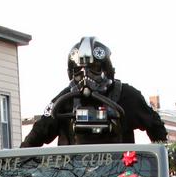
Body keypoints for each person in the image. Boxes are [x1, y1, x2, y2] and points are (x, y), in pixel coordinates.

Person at [21, 36, 167, 147]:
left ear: (107, 69)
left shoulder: (128, 96)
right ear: (71, 72)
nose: (86, 76)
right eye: (79, 70)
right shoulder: (63, 101)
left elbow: (155, 126)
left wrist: (168, 160)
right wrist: (17, 162)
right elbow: (39, 132)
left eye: (94, 69)